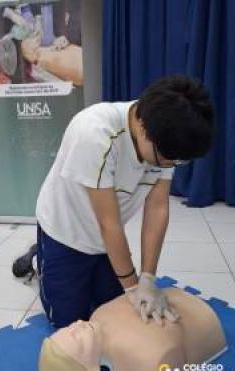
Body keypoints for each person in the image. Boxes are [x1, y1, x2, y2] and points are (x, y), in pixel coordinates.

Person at [35, 75, 215, 329]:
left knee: (115, 314)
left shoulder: (167, 138)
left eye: (177, 161)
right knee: (68, 323)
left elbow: (157, 207)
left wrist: (147, 279)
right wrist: (132, 289)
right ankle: (38, 259)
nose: (170, 165)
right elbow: (109, 224)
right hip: (65, 233)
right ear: (143, 127)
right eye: (167, 159)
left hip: (106, 240)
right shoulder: (94, 134)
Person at [38, 287, 227, 371]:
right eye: (78, 338)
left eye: (68, 328)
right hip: (202, 319)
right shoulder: (142, 359)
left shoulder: (98, 314)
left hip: (179, 304)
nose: (77, 324)